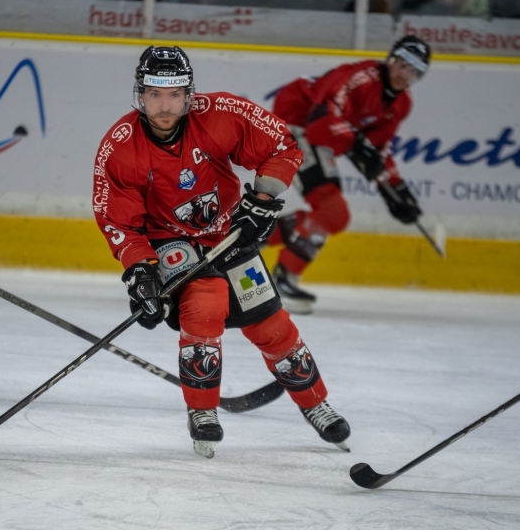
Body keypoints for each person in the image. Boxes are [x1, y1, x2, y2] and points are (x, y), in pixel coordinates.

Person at [92, 46, 351, 459]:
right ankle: (203, 413)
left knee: (272, 325)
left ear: (189, 94)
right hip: (169, 242)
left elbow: (284, 146)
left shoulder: (221, 114)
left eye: (174, 94)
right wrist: (141, 274)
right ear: (140, 94)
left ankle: (316, 404)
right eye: (155, 94)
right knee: (205, 306)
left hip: (228, 232)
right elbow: (119, 221)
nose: (164, 105)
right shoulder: (120, 147)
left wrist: (263, 199)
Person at [265, 36, 430, 314]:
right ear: (390, 59)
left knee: (335, 215)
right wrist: (355, 145)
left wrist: (396, 192)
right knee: (330, 209)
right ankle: (282, 279)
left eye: (414, 71)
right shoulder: (361, 78)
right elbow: (321, 121)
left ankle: (246, 237)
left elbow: (377, 150)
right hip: (295, 122)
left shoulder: (401, 104)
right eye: (402, 65)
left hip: (317, 135)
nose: (405, 75)